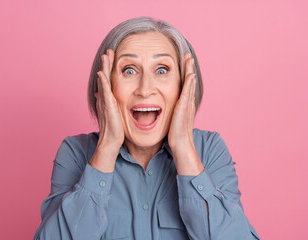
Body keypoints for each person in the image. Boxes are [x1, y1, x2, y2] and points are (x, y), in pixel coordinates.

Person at [34, 17, 260, 240]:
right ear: (104, 91)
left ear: (185, 89)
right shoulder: (76, 153)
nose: (145, 89)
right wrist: (107, 146)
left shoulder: (209, 150)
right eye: (129, 71)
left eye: (161, 70)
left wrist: (183, 147)